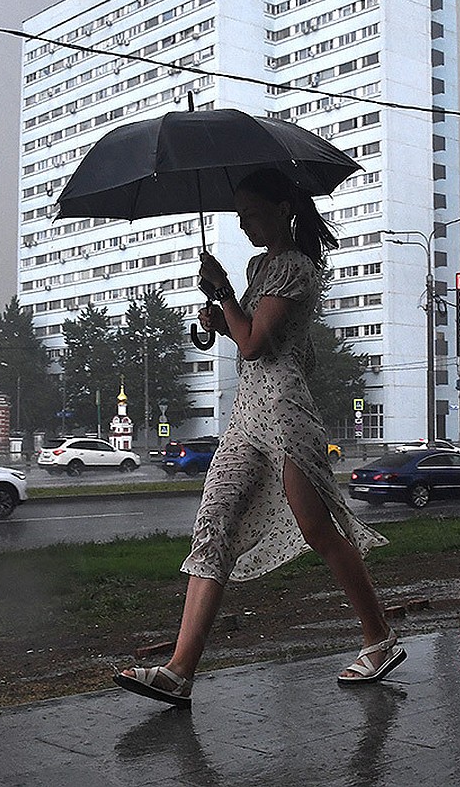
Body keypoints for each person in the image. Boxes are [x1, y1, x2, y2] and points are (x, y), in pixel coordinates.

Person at [115, 168, 404, 707]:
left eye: (250, 212)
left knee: (319, 530)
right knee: (214, 522)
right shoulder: (260, 266)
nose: (243, 222)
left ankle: (379, 637)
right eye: (239, 213)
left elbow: (255, 344)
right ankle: (179, 671)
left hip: (286, 413)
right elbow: (243, 333)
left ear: (283, 208)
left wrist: (225, 297)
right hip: (248, 415)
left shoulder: (295, 267)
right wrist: (220, 314)